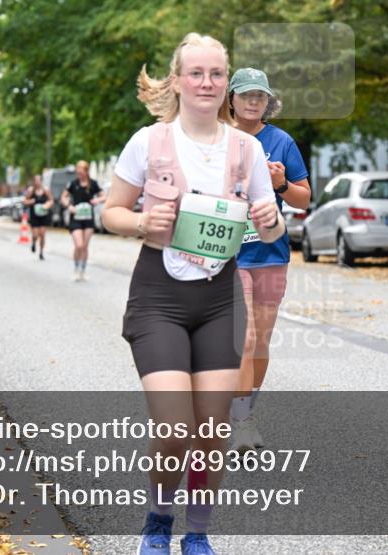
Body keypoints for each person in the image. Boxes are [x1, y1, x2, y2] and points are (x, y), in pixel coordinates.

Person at [102, 33, 283, 555]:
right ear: (177, 80)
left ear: (226, 83)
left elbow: (268, 230)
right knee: (177, 426)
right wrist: (139, 221)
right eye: (197, 73)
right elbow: (110, 211)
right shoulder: (148, 142)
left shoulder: (246, 149)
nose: (207, 83)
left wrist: (270, 222)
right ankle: (158, 521)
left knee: (211, 430)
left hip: (220, 300)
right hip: (158, 297)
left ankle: (196, 531)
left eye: (216, 74)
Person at [225, 68, 310, 454]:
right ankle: (242, 421)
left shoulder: (281, 141)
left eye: (260, 96)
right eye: (246, 95)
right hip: (230, 254)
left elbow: (303, 199)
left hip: (270, 252)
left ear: (267, 102)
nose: (253, 101)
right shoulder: (217, 138)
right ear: (232, 99)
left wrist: (280, 185)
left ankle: (242, 406)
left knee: (261, 342)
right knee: (244, 339)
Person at [61, 160, 105, 281]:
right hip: (76, 218)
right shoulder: (73, 184)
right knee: (79, 245)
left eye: (80, 170)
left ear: (86, 171)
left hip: (88, 218)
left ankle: (83, 270)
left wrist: (98, 200)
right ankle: (76, 268)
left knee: (85, 246)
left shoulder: (93, 184)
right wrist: (69, 206)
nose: (78, 172)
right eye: (77, 170)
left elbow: (104, 196)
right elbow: (63, 197)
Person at [22, 174, 51, 259]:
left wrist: (47, 205)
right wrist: (30, 201)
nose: (37, 182)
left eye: (39, 180)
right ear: (34, 182)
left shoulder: (46, 190)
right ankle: (34, 242)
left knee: (42, 234)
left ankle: (41, 252)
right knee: (35, 234)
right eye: (36, 180)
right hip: (34, 215)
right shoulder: (31, 190)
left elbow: (51, 200)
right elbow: (24, 201)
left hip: (44, 214)